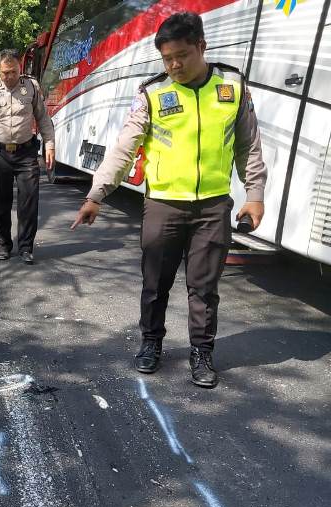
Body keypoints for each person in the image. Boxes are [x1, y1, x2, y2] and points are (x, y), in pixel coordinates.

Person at [71, 12, 267, 388]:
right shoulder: (153, 93)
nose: (174, 65)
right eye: (166, 59)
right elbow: (123, 148)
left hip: (213, 206)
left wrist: (254, 194)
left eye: (181, 56)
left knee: (204, 287)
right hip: (163, 205)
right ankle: (150, 343)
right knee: (155, 282)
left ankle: (202, 353)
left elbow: (249, 146)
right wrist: (97, 194)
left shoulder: (232, 87)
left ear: (202, 47)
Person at [0, 49, 55, 264]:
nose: (9, 77)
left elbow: (43, 119)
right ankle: (4, 245)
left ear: (20, 68)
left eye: (14, 72)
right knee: (0, 203)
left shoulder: (31, 87)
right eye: (5, 73)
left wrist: (50, 145)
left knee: (29, 202)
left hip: (26, 153)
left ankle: (26, 247)